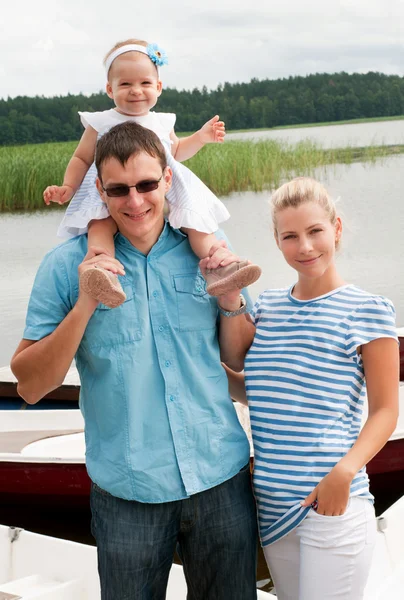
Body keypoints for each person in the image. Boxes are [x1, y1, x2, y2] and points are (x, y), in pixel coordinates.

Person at [11, 121, 259, 600]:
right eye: (119, 189)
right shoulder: (65, 266)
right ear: (100, 191)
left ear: (169, 179)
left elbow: (237, 356)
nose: (135, 201)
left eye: (147, 184)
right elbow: (29, 386)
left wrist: (231, 301)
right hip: (128, 492)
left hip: (220, 479)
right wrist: (86, 302)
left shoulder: (207, 248)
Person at [205, 177, 400, 600]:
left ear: (337, 229)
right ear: (277, 242)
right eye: (290, 236)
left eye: (315, 231)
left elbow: (385, 411)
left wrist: (344, 473)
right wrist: (201, 368)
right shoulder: (269, 306)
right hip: (273, 508)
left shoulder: (369, 310)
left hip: (332, 504)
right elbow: (254, 388)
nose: (306, 246)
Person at [43, 38, 261, 307]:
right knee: (100, 223)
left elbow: (177, 150)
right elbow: (81, 157)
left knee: (195, 220)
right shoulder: (100, 122)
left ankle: (219, 264)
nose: (136, 91)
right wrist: (68, 187)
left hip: (162, 185)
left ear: (158, 87)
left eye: (145, 83)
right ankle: (103, 270)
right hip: (113, 191)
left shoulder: (160, 121)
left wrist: (201, 138)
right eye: (125, 84)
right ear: (110, 89)